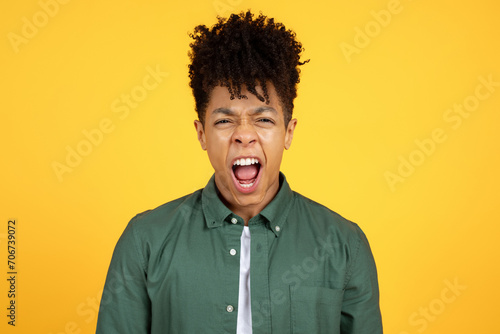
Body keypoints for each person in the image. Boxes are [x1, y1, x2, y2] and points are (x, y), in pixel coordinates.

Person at [96, 10, 382, 334]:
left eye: (263, 120)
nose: (243, 135)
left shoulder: (345, 245)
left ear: (288, 132)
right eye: (224, 120)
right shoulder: (145, 241)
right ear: (201, 134)